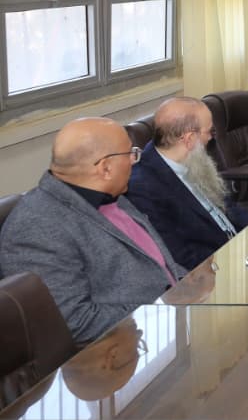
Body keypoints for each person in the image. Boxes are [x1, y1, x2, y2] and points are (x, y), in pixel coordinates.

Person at [0, 118, 185, 344]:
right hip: (125, 345)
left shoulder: (108, 192)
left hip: (173, 317)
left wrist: (189, 285)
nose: (134, 160)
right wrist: (161, 309)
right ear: (105, 168)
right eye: (130, 153)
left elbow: (158, 262)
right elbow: (74, 322)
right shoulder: (36, 227)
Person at [127, 98, 248, 270]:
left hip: (242, 248)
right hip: (217, 268)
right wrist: (233, 260)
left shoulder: (194, 161)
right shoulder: (143, 189)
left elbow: (228, 207)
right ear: (189, 139)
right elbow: (180, 256)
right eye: (209, 131)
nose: (211, 138)